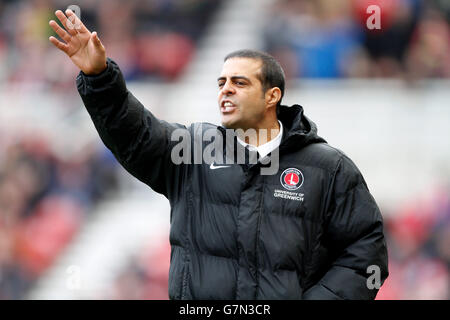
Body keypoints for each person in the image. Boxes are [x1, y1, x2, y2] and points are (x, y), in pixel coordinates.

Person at [49, 9, 388, 300]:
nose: (225, 90)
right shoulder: (193, 149)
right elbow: (135, 135)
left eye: (239, 83)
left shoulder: (328, 168)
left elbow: (367, 256)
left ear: (272, 96)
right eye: (221, 82)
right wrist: (100, 77)